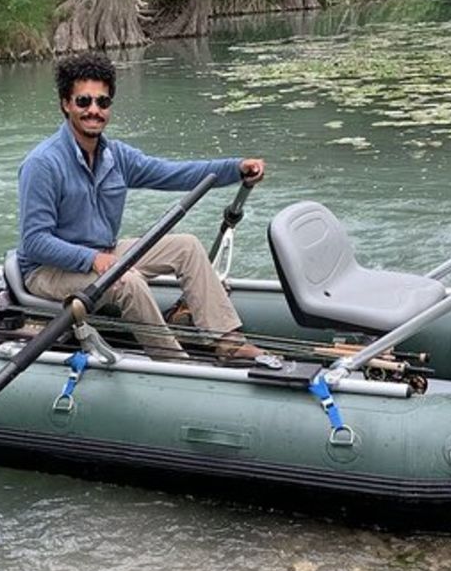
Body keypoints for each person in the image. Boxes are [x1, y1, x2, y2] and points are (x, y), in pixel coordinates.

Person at [16, 51, 267, 362]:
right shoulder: (43, 164)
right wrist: (94, 259)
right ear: (66, 104)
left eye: (102, 102)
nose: (94, 110)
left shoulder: (116, 156)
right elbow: (35, 242)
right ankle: (176, 362)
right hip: (48, 270)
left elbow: (174, 173)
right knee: (128, 282)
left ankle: (228, 343)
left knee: (186, 246)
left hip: (102, 251)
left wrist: (235, 168)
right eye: (84, 101)